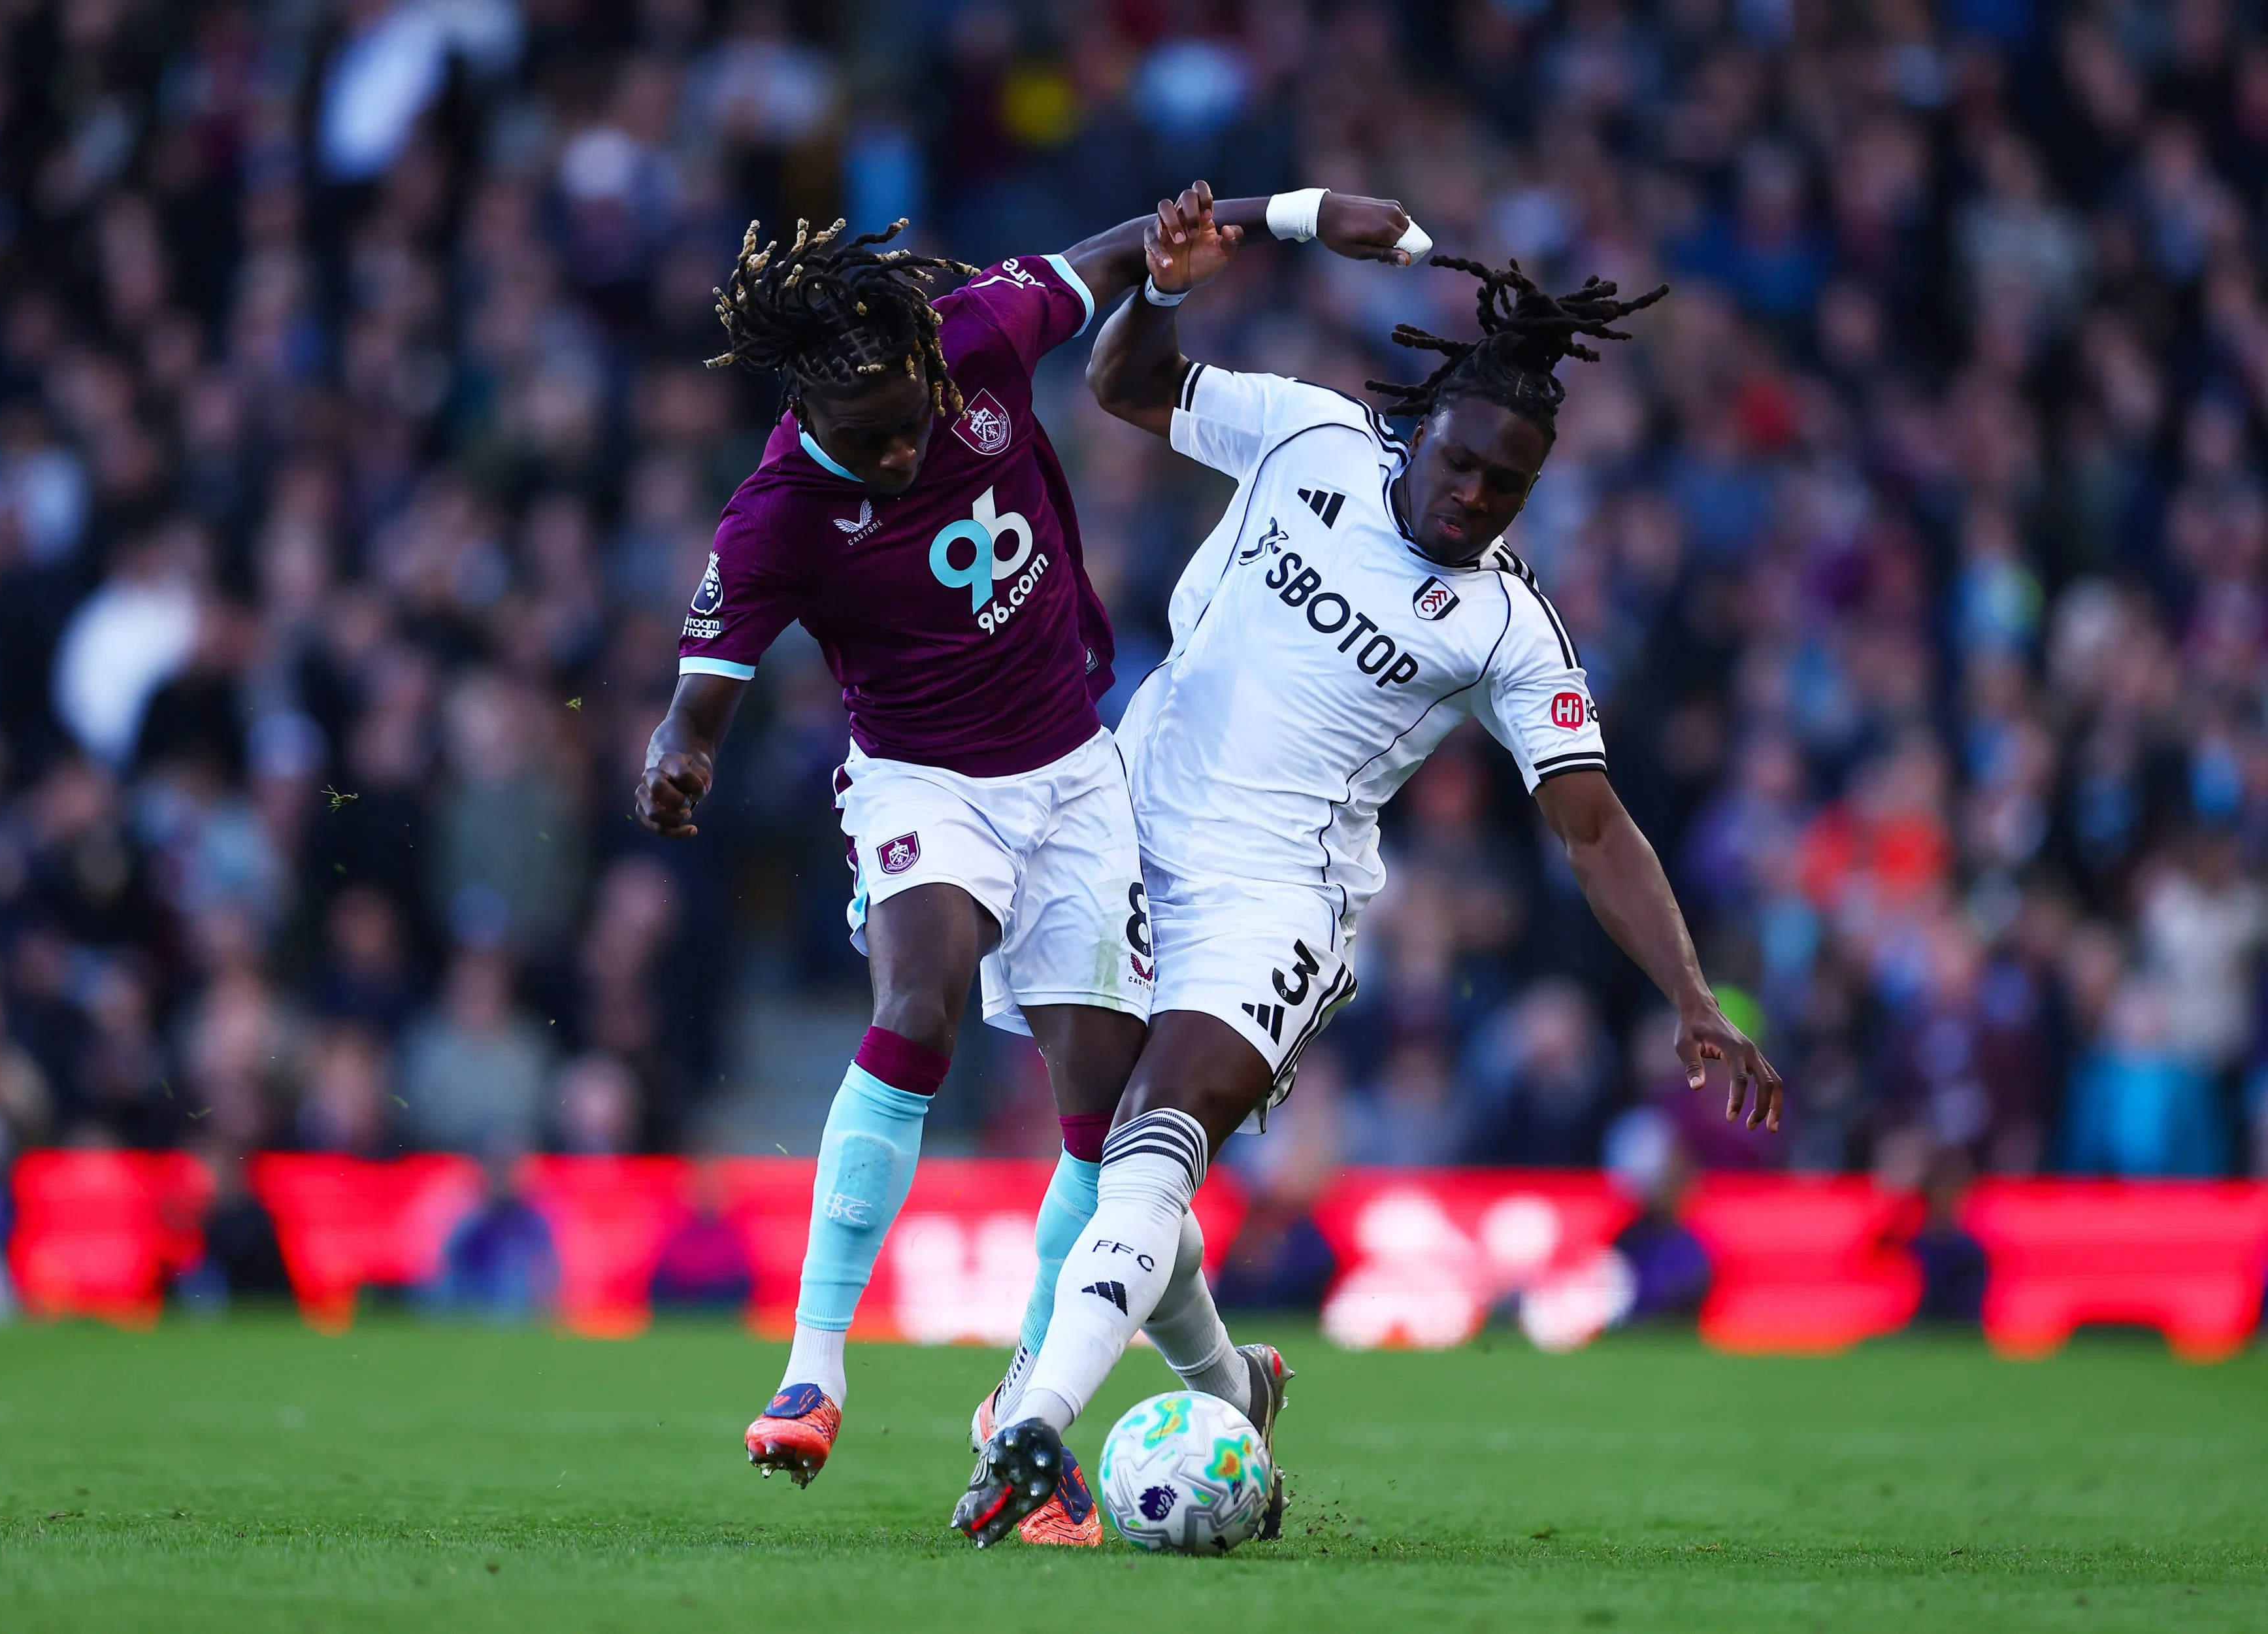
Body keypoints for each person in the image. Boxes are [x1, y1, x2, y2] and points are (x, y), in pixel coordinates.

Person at [954, 184, 1784, 1544]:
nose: (1469, 496)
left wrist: (1692, 995)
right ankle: (1229, 1386)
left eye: (1503, 485)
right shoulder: (1309, 437)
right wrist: (1165, 283)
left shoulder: (1509, 625)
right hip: (1118, 828)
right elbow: (1126, 383)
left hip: (1280, 900)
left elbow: (1592, 823)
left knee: (1152, 1150)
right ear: (1416, 426)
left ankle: (1034, 1426)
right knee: (1105, 1151)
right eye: (1458, 462)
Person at [631, 192, 1414, 1538]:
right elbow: (698, 700)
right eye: (855, 438)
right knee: (917, 1005)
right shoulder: (773, 515)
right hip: (924, 785)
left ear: (934, 375)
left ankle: (1030, 1418)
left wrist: (1289, 214)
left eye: (903, 427)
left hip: (1074, 776)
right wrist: (677, 757)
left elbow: (1126, 249)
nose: (887, 456)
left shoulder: (975, 335)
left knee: (1109, 1132)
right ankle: (813, 1371)